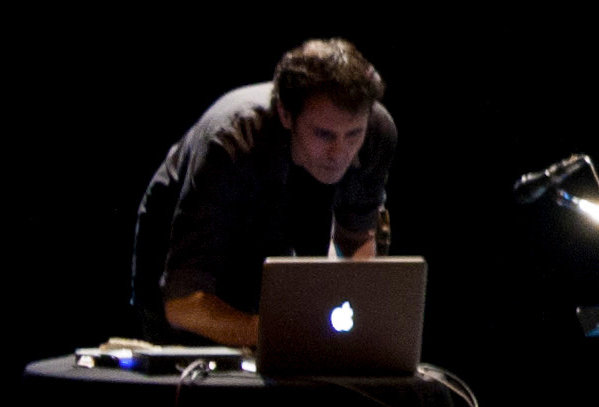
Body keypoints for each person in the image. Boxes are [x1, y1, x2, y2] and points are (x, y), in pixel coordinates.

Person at [127, 39, 400, 349]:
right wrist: (289, 335)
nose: (340, 153)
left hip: (279, 229)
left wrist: (353, 326)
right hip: (181, 251)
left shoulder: (377, 131)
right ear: (286, 114)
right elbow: (183, 304)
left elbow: (356, 240)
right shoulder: (232, 141)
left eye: (353, 134)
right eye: (323, 134)